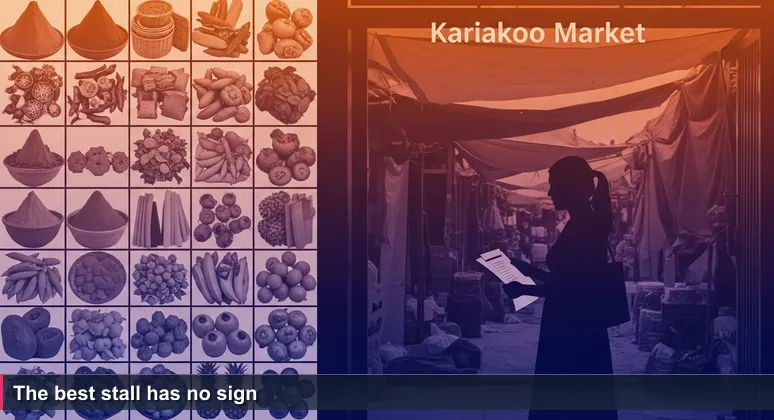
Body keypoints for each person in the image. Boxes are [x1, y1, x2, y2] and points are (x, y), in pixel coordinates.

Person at [504, 156, 618, 420]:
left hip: (572, 328)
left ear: (572, 187)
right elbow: (568, 280)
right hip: (578, 324)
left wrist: (525, 289)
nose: (550, 192)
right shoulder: (583, 223)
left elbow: (571, 288)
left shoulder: (584, 227)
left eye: (555, 185)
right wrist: (527, 270)